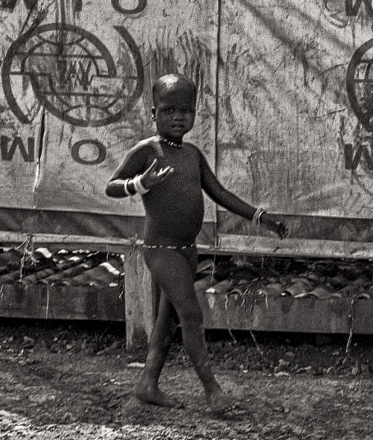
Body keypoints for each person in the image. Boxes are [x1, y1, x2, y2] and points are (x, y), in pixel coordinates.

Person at [106, 74, 286, 411]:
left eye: (186, 110)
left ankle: (148, 383)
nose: (178, 117)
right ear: (153, 112)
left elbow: (220, 193)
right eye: (169, 109)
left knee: (166, 321)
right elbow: (111, 186)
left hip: (187, 251)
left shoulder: (192, 154)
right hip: (161, 251)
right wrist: (139, 183)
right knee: (190, 314)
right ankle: (212, 391)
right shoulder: (148, 151)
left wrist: (260, 217)